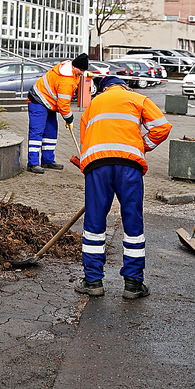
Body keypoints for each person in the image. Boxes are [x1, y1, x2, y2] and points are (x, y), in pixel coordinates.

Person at [74, 75, 171, 300]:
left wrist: (86, 164)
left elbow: (85, 142)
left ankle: (93, 282)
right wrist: (141, 146)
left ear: (102, 90)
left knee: (94, 223)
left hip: (97, 166)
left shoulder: (92, 106)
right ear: (123, 87)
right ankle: (133, 284)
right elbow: (162, 127)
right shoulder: (137, 98)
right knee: (132, 222)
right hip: (129, 166)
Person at [26, 54, 89, 172]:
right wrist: (69, 118)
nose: (82, 73)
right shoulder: (66, 79)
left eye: (83, 70)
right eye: (81, 70)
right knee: (37, 131)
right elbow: (63, 104)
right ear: (75, 66)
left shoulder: (72, 72)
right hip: (38, 100)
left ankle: (47, 160)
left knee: (51, 131)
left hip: (49, 102)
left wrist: (67, 116)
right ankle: (33, 163)